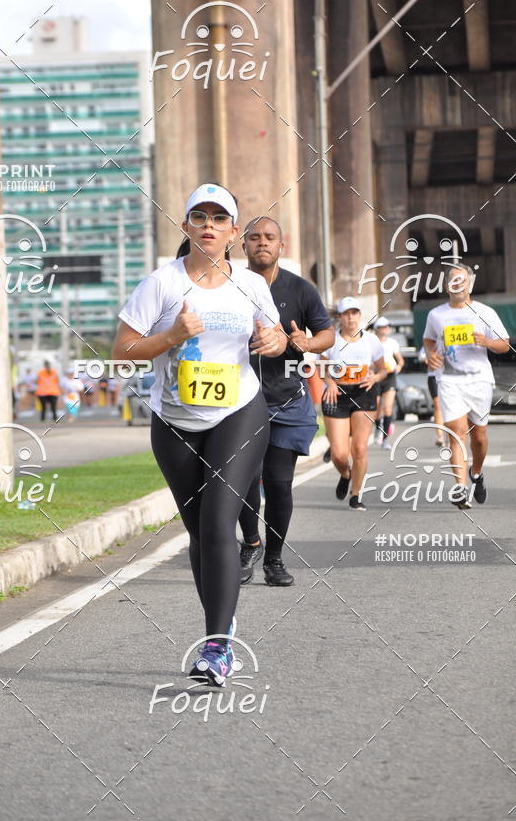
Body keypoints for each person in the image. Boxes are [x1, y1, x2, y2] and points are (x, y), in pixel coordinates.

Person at [111, 183, 287, 686]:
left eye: (219, 218)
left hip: (239, 411)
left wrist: (273, 340)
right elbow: (122, 351)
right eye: (199, 216)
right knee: (199, 534)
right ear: (186, 226)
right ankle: (222, 619)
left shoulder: (251, 285)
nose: (208, 224)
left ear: (233, 232)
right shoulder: (161, 285)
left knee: (217, 523)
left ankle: (217, 647)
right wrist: (170, 337)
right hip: (175, 422)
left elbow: (273, 338)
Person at [237, 216, 334, 586]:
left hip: (287, 402)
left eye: (270, 237)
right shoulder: (230, 285)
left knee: (278, 484)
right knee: (243, 480)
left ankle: (274, 560)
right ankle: (251, 543)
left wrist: (307, 343)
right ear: (243, 245)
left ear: (282, 245)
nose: (262, 242)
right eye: (255, 237)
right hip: (240, 402)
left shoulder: (301, 289)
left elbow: (326, 332)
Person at [423, 263, 509, 508]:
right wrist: (431, 354)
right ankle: (460, 487)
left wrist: (487, 342)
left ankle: (477, 473)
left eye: (462, 280)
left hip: (479, 379)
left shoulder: (485, 312)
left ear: (469, 284)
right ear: (446, 285)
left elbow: (504, 344)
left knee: (479, 437)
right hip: (449, 379)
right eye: (453, 280)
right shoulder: (436, 315)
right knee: (456, 429)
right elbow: (428, 340)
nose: (457, 284)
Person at [321, 297, 387, 510]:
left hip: (363, 393)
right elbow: (320, 367)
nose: (351, 317)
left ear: (360, 315)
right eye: (346, 313)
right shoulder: (331, 340)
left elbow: (383, 368)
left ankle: (356, 494)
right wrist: (329, 382)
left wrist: (375, 378)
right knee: (339, 454)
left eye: (355, 312)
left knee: (359, 448)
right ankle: (346, 473)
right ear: (339, 317)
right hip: (336, 394)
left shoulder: (371, 340)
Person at [372, 317, 404, 449]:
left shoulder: (392, 342)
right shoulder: (372, 342)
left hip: (390, 376)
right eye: (383, 327)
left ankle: (385, 440)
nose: (386, 329)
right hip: (376, 376)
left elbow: (400, 360)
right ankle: (378, 428)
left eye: (387, 327)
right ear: (377, 329)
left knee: (388, 408)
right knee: (377, 409)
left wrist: (399, 367)